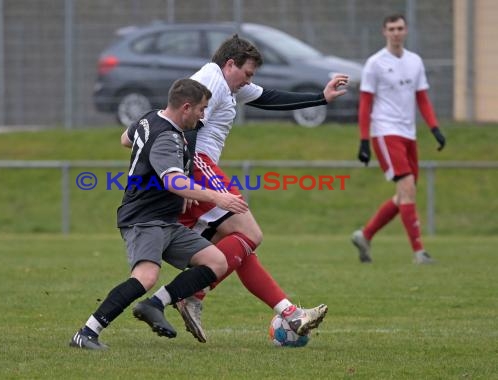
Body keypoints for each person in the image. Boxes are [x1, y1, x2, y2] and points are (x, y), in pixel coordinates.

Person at [126, 34, 349, 343]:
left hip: (199, 168)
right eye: (247, 73)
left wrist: (320, 98)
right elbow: (185, 128)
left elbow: (268, 97)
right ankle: (188, 295)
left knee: (239, 245)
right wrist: (186, 181)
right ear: (230, 64)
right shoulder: (213, 82)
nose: (249, 81)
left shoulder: (229, 85)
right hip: (199, 165)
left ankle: (289, 313)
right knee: (252, 234)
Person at [69, 78, 249, 350]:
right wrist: (217, 196)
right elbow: (172, 181)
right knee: (146, 277)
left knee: (216, 262)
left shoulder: (149, 118)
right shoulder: (167, 136)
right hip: (144, 219)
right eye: (201, 109)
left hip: (166, 220)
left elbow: (125, 139)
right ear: (186, 107)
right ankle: (86, 333)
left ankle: (155, 305)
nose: (203, 115)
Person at [351, 14, 446, 264]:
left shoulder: (415, 61)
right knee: (407, 188)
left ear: (406, 31)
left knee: (405, 194)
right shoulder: (375, 63)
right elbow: (365, 104)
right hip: (385, 131)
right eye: (391, 28)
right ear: (384, 32)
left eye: (400, 28)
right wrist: (364, 141)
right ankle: (419, 252)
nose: (396, 32)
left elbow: (422, 98)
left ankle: (365, 234)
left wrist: (434, 128)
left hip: (409, 134)